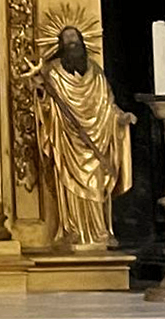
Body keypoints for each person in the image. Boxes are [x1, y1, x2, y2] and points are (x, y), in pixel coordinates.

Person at [28, 27, 135, 251]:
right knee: (70, 187)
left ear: (82, 41)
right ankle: (73, 229)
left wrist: (120, 117)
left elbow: (107, 105)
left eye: (75, 38)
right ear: (60, 44)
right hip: (68, 140)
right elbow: (46, 105)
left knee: (96, 185)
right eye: (67, 39)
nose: (72, 42)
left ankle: (99, 231)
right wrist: (40, 91)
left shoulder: (95, 73)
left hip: (96, 139)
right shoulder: (53, 72)